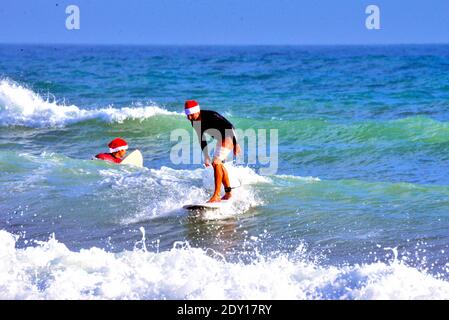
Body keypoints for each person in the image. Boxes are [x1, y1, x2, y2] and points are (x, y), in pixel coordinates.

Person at [185, 100, 241, 203]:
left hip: (229, 136)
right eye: (187, 115)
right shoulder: (194, 121)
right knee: (217, 164)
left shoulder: (211, 115)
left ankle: (217, 195)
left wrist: (236, 144)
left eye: (191, 115)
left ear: (197, 111)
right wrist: (206, 156)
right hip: (220, 138)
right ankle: (228, 192)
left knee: (216, 163)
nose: (189, 118)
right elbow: (201, 138)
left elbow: (230, 127)